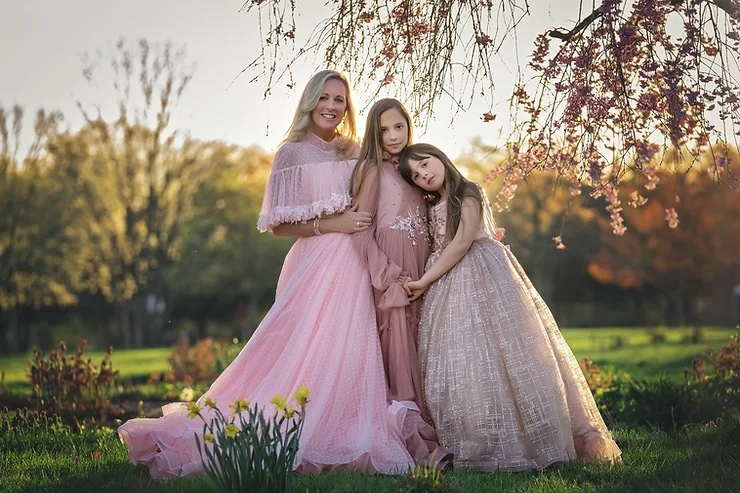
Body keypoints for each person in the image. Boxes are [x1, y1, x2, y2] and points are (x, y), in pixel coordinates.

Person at [117, 70, 415, 479]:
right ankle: (276, 424)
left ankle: (346, 424)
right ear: (310, 101)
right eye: (324, 98)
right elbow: (277, 226)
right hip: (314, 258)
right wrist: (332, 225)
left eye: (340, 100)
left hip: (356, 258)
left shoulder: (356, 149)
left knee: (349, 345)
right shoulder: (290, 153)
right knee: (295, 347)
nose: (331, 106)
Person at [398, 143, 622, 471]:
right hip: (446, 286)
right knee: (461, 360)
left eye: (426, 164)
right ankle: (471, 437)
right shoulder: (433, 203)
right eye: (416, 175)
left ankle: (523, 439)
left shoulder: (468, 192)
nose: (424, 175)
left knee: (503, 354)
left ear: (441, 157)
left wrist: (424, 279)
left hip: (479, 274)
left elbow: (461, 243)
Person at [349, 98, 443, 463]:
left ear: (409, 125)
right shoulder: (372, 170)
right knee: (400, 348)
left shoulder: (414, 167)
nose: (392, 136)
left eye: (398, 127)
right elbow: (360, 230)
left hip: (423, 265)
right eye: (384, 129)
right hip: (393, 269)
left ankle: (438, 415)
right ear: (374, 133)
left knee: (424, 344)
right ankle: (409, 430)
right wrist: (388, 275)